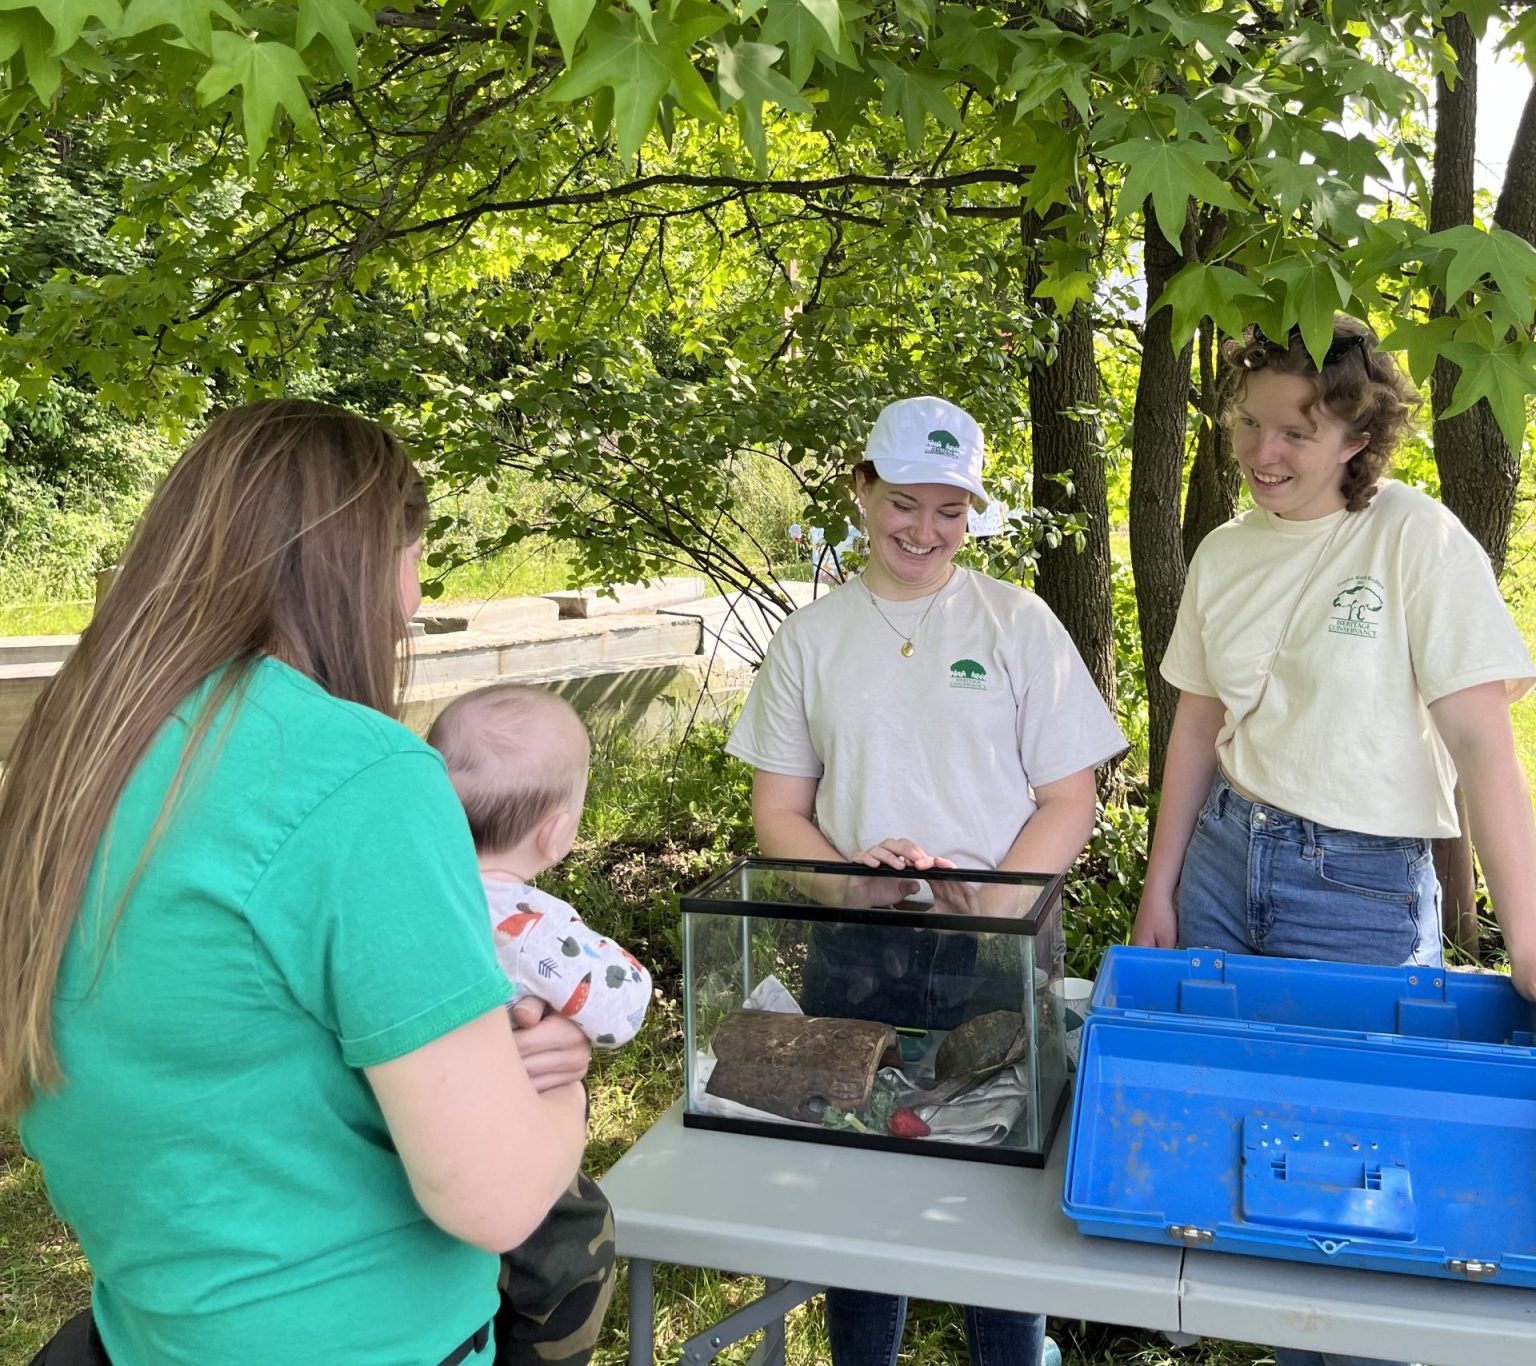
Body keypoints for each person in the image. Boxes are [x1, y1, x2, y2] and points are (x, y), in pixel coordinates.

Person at [0, 400, 591, 1365]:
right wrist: (562, 1082)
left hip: (154, 1325)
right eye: (414, 558)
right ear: (365, 564)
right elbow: (494, 1195)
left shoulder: (81, 750)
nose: (409, 595)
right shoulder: (362, 774)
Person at [1131, 316, 1536, 1366]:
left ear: (1357, 432)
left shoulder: (1415, 536)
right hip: (1224, 859)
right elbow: (1195, 725)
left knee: (1356, 1184)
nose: (1263, 453)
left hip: (1359, 891)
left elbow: (1482, 742)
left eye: (1296, 432)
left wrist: (1528, 933)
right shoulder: (1222, 552)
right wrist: (1158, 886)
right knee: (1225, 1136)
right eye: (1248, 423)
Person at [726, 395, 1126, 1366]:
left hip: (995, 950)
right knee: (861, 1208)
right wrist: (847, 884)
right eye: (905, 501)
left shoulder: (1016, 623)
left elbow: (1068, 795)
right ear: (862, 489)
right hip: (854, 952)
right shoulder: (812, 640)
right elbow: (779, 810)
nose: (925, 529)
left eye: (950, 509)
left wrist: (993, 903)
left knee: (996, 1204)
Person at [427, 683, 654, 1366]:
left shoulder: (416, 891)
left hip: (420, 1127)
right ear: (556, 832)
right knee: (574, 1235)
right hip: (505, 1137)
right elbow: (621, 1010)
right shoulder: (536, 926)